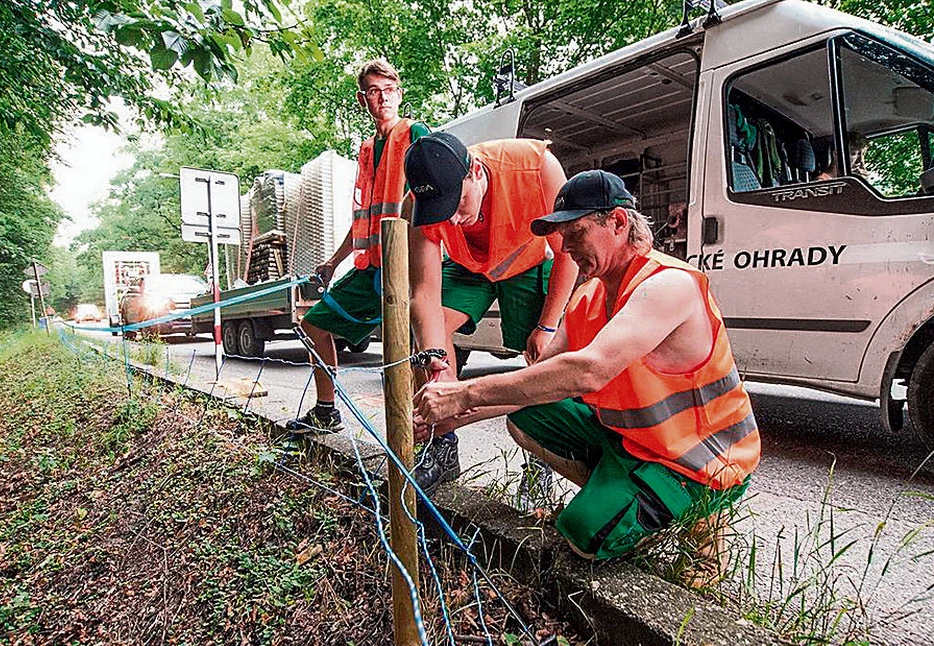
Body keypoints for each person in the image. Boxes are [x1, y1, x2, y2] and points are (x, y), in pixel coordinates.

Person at [415, 169, 760, 567]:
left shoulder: (669, 285)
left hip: (699, 460)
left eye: (575, 232)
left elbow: (588, 371)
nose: (565, 247)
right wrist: (447, 418)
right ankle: (622, 498)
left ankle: (693, 516)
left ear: (617, 222)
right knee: (528, 411)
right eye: (560, 235)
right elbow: (538, 378)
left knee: (583, 535)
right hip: (639, 444)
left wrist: (464, 392)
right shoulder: (590, 294)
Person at [403, 132, 579, 494]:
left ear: (476, 172)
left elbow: (568, 254)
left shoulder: (535, 165)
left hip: (526, 259)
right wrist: (436, 362)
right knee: (424, 339)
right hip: (469, 266)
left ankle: (540, 454)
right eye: (441, 211)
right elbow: (423, 292)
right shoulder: (420, 202)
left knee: (543, 354)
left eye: (458, 202)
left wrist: (547, 325)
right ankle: (442, 446)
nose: (451, 219)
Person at [290, 60, 430, 434]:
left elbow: (431, 191)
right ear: (362, 98)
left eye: (389, 90)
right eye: (374, 91)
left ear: (399, 94)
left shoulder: (415, 132)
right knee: (313, 324)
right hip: (370, 267)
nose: (382, 98)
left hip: (406, 265)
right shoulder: (367, 150)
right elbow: (363, 219)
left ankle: (431, 435)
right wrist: (335, 262)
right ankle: (326, 411)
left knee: (417, 350)